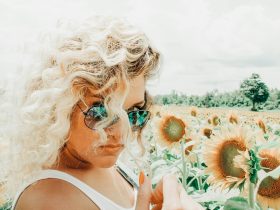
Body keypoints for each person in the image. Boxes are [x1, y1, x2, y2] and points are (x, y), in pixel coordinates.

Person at [0, 16, 203, 210]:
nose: (121, 133)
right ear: (59, 106)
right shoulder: (49, 200)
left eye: (134, 113)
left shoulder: (103, 164)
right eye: (101, 113)